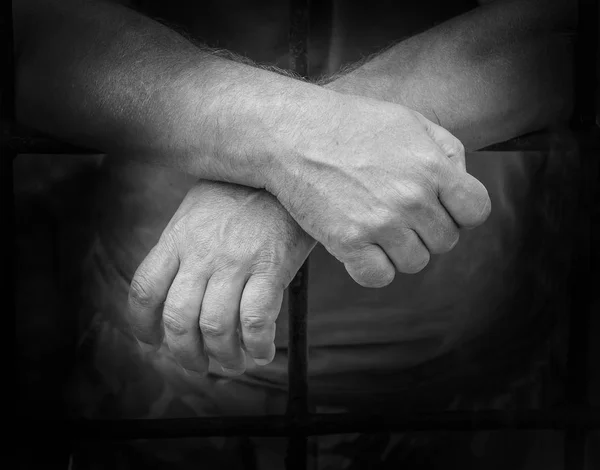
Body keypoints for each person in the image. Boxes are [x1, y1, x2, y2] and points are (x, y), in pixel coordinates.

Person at [14, 0, 577, 468]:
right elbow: (32, 32)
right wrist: (294, 142)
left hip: (480, 375)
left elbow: (561, 33)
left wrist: (287, 159)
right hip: (157, 370)